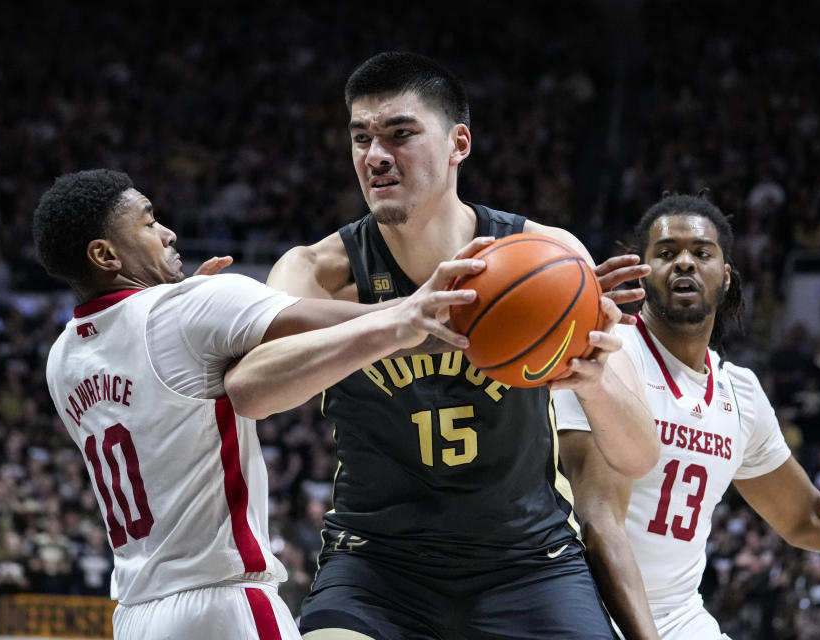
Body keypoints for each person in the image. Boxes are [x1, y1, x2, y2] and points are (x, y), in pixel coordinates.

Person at [266, 51, 659, 640]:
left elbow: (638, 455)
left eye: (400, 135)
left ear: (459, 144)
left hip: (529, 563)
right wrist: (398, 320)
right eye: (361, 138)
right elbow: (256, 389)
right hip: (377, 566)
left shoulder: (548, 257)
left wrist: (594, 382)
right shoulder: (319, 270)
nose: (376, 156)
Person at [33, 168, 487, 640]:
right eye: (148, 224)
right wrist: (434, 313)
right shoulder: (188, 309)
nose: (168, 234)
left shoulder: (62, 360)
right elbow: (362, 328)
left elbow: (162, 378)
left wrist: (194, 315)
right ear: (105, 254)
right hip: (222, 605)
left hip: (135, 614)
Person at [556, 192, 820, 639]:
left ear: (727, 277)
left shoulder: (741, 392)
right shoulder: (605, 350)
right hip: (584, 604)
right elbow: (599, 519)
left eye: (701, 253)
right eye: (666, 253)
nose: (684, 263)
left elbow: (807, 518)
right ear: (641, 271)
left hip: (681, 614)